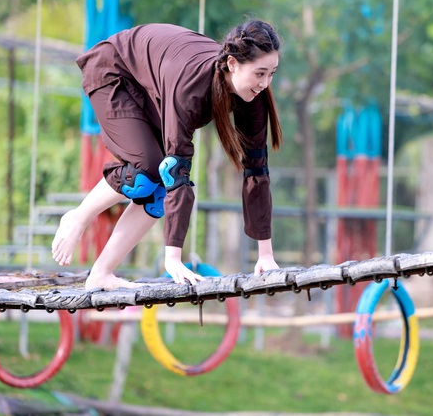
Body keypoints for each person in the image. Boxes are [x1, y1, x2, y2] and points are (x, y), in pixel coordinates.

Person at [51, 19, 284, 290]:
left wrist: (265, 255)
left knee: (156, 192)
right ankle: (78, 217)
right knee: (148, 171)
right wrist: (173, 258)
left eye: (272, 74)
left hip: (154, 85)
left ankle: (101, 273)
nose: (265, 83)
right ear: (232, 64)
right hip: (114, 70)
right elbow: (175, 169)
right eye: (260, 73)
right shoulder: (192, 85)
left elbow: (257, 171)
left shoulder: (254, 97)